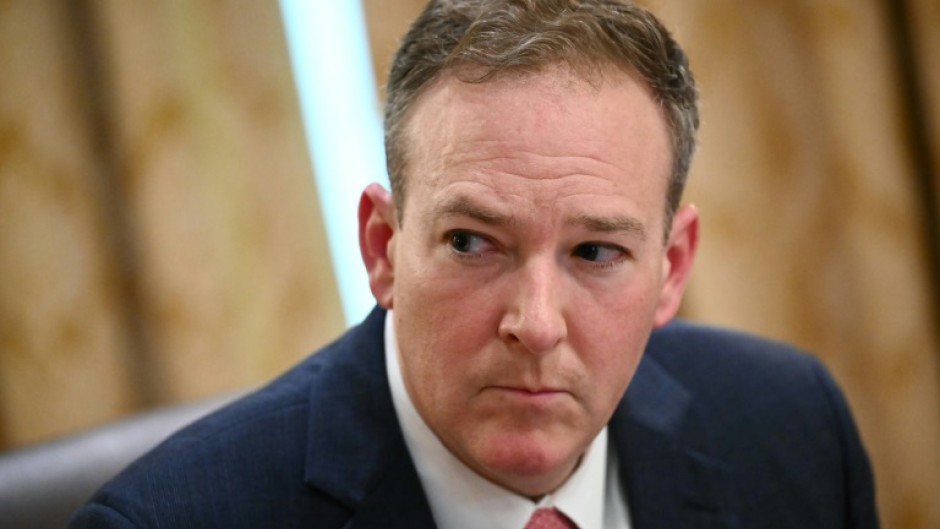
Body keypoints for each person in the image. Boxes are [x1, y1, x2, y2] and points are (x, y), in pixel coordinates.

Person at [69, 0, 879, 528]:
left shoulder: (793, 428)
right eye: (471, 242)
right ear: (384, 248)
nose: (536, 324)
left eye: (595, 252)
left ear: (671, 268)